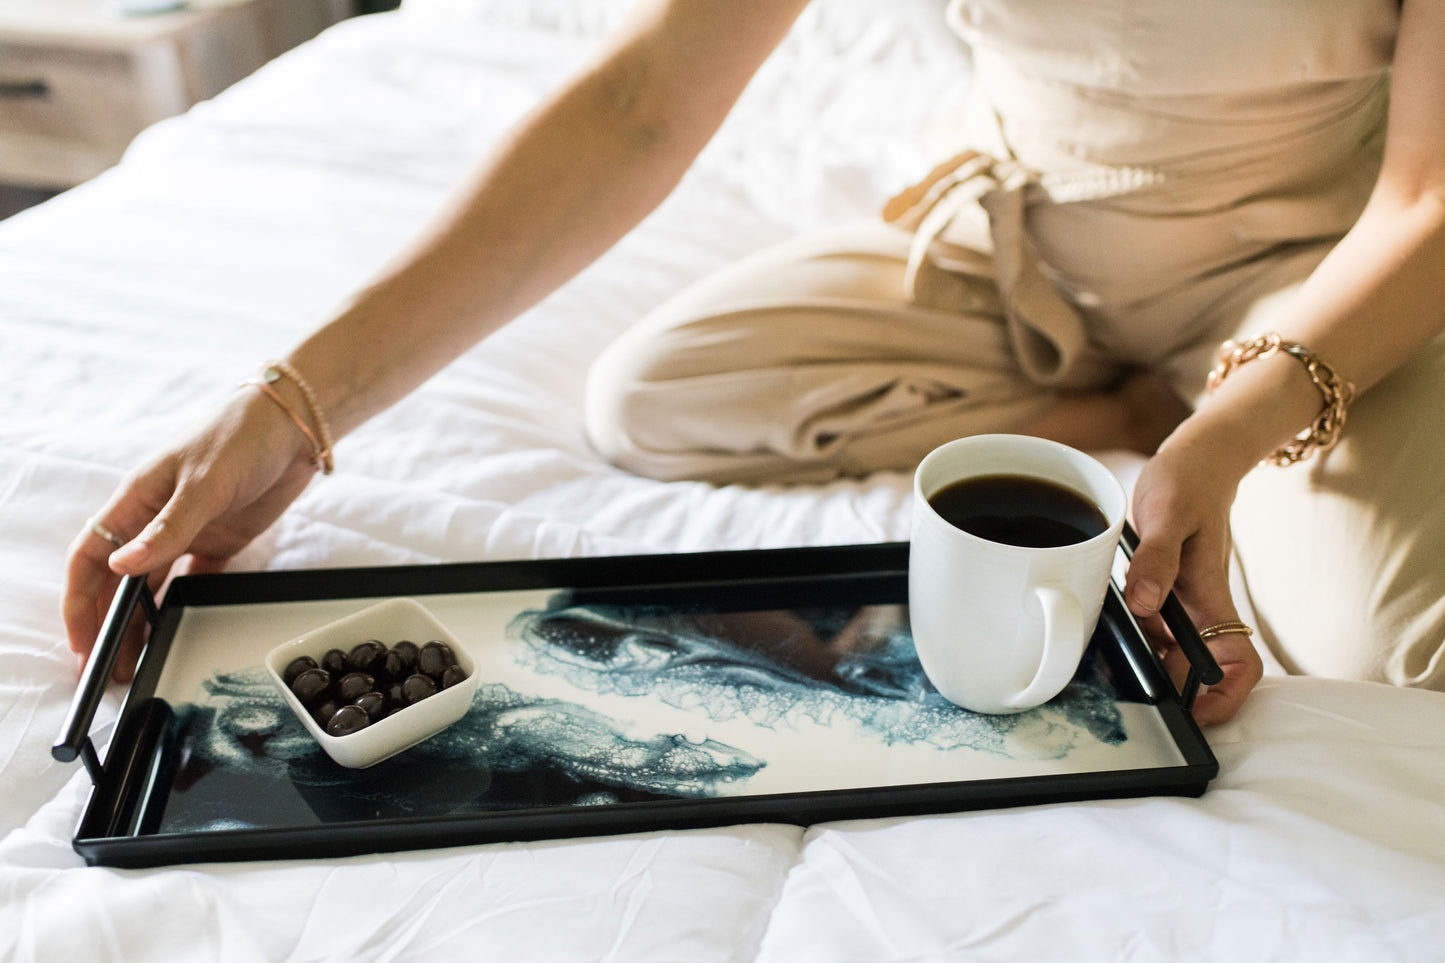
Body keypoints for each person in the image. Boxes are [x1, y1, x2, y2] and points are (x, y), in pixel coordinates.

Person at [64, 0, 1445, 727]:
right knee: (661, 396)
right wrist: (292, 402)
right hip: (1018, 235)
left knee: (1393, 639)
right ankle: (1129, 401)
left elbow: (1425, 198)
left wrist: (1232, 426)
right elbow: (638, 99)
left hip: (1295, 283)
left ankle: (1181, 409)